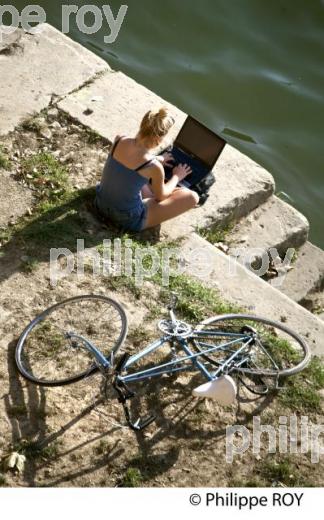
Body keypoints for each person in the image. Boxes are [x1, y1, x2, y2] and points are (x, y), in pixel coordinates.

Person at [95, 107, 199, 232]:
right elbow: (161, 197)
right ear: (158, 139)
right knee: (192, 197)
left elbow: (133, 159)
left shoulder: (119, 139)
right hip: (125, 218)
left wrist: (157, 158)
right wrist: (177, 176)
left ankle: (149, 194)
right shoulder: (153, 166)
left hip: (100, 202)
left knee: (137, 181)